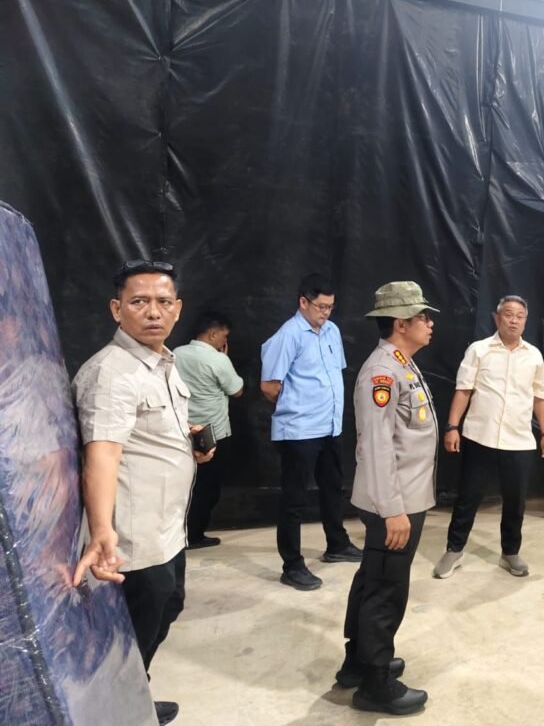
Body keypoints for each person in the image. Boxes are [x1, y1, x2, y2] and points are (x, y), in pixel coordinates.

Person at [71, 260, 216, 726]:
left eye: (163, 302)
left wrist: (188, 442)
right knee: (128, 639)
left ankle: (135, 697)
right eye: (139, 302)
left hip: (168, 528)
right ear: (117, 309)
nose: (153, 312)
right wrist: (101, 531)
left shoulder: (163, 363)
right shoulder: (112, 372)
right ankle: (118, 712)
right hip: (134, 541)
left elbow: (146, 432)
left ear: (178, 308)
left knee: (168, 608)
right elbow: (103, 454)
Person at [337, 282, 439, 716]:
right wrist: (392, 510)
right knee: (386, 589)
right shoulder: (382, 372)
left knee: (372, 579)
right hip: (394, 503)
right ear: (401, 323)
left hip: (403, 496)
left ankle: (358, 662)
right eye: (422, 317)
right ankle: (375, 683)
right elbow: (376, 447)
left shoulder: (401, 364)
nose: (429, 324)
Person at [433, 295, 544, 579]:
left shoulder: (533, 356)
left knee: (515, 501)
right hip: (480, 436)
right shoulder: (479, 350)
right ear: (497, 318)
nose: (514, 320)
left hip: (519, 440)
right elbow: (463, 390)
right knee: (468, 497)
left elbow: (540, 397)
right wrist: (452, 427)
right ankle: (454, 550)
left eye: (520, 316)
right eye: (508, 314)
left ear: (525, 321)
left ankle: (510, 553)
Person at [260, 273, 361, 591]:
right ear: (303, 302)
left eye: (330, 307)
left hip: (329, 425)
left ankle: (337, 544)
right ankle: (292, 565)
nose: (326, 313)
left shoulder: (332, 331)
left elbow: (333, 373)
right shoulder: (288, 335)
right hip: (300, 430)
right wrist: (298, 406)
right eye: (320, 307)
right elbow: (269, 386)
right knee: (294, 499)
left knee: (332, 487)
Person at [173, 310, 244, 549]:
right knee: (208, 487)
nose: (225, 341)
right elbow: (237, 390)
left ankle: (178, 534)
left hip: (182, 429)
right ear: (213, 334)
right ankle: (194, 535)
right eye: (224, 335)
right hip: (213, 434)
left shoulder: (176, 353)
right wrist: (224, 359)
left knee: (184, 485)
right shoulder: (218, 360)